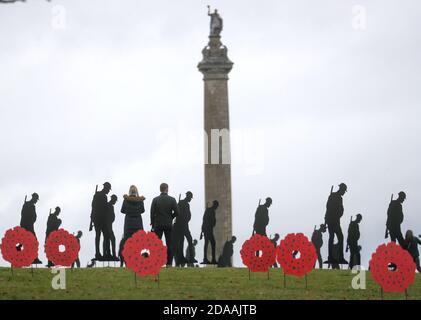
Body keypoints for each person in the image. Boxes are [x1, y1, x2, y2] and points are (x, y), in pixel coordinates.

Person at [150, 183, 179, 266]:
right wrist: (171, 217)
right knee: (169, 244)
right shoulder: (172, 199)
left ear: (160, 189)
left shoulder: (155, 200)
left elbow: (152, 213)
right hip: (168, 224)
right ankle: (169, 263)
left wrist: (152, 224)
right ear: (167, 189)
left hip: (158, 224)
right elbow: (177, 212)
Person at [119, 186, 145, 265]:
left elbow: (122, 210)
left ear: (130, 192)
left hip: (129, 224)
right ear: (136, 192)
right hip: (138, 224)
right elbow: (142, 210)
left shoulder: (126, 200)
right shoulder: (140, 200)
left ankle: (128, 262)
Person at [324, 183, 348, 265]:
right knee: (333, 237)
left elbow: (341, 209)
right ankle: (331, 257)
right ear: (341, 189)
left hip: (336, 220)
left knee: (339, 237)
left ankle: (340, 257)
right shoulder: (333, 196)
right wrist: (327, 218)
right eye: (344, 191)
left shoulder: (339, 198)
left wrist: (339, 214)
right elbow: (328, 207)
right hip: (332, 220)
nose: (344, 192)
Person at [91, 182, 111, 260]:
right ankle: (98, 253)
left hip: (98, 219)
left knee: (101, 236)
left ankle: (101, 253)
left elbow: (93, 206)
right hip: (100, 219)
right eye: (108, 189)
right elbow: (94, 206)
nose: (108, 191)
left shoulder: (98, 195)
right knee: (100, 236)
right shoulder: (101, 196)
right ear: (106, 188)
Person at [173, 191, 194, 267]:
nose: (190, 199)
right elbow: (185, 215)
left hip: (181, 225)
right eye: (190, 198)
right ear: (188, 197)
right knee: (188, 240)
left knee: (182, 242)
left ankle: (182, 258)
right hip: (183, 225)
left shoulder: (181, 203)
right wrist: (186, 220)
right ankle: (189, 258)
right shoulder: (184, 203)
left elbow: (177, 213)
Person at [20, 193, 42, 264]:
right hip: (26, 225)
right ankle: (33, 258)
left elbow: (34, 216)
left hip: (29, 225)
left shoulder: (32, 206)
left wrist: (32, 220)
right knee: (32, 241)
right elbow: (23, 215)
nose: (36, 201)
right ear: (33, 198)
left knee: (28, 242)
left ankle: (34, 258)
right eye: (36, 199)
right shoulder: (27, 204)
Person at [201, 200, 218, 264]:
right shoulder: (210, 211)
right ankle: (211, 259)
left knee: (207, 243)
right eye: (217, 205)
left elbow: (204, 220)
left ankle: (207, 259)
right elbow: (205, 220)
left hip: (208, 229)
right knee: (212, 243)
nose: (217, 207)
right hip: (208, 230)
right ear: (215, 205)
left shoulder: (210, 210)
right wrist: (202, 230)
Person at [103, 194, 118, 261]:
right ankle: (112, 255)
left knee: (107, 239)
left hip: (109, 225)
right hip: (108, 225)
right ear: (113, 199)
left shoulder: (110, 205)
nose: (115, 202)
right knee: (111, 239)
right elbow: (108, 217)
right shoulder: (109, 205)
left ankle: (108, 254)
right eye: (115, 200)